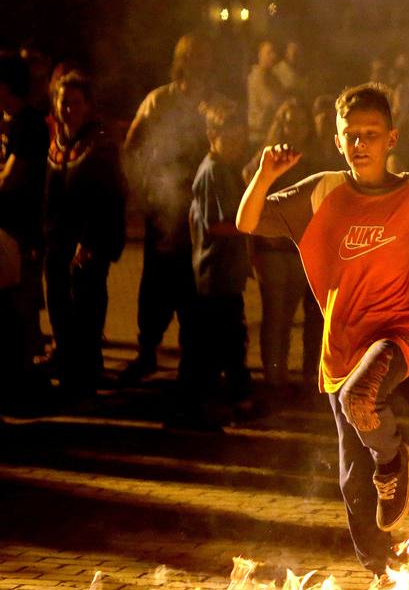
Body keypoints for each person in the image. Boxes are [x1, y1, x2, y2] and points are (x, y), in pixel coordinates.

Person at [237, 83, 409, 576]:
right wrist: (264, 175)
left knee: (361, 400)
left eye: (371, 134)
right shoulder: (320, 192)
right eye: (352, 135)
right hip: (343, 343)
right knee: (351, 478)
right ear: (338, 139)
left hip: (402, 328)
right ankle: (380, 570)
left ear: (392, 138)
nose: (361, 143)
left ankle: (393, 461)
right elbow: (247, 220)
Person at [121, 33, 212, 383]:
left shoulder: (214, 104)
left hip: (199, 207)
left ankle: (193, 361)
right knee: (157, 282)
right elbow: (133, 144)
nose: (199, 62)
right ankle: (147, 351)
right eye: (192, 56)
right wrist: (142, 188)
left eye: (204, 56)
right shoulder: (159, 101)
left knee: (193, 284)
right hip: (164, 204)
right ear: (181, 60)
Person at [43, 72, 128, 395]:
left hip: (87, 244)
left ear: (88, 106)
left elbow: (106, 199)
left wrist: (90, 241)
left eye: (76, 103)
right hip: (57, 242)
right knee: (60, 306)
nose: (69, 109)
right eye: (64, 102)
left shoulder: (100, 146)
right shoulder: (56, 142)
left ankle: (86, 374)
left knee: (87, 309)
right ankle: (69, 367)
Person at [175, 99, 253, 430]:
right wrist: (252, 224)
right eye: (230, 139)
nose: (236, 146)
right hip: (215, 275)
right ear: (213, 135)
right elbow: (216, 224)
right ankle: (197, 409)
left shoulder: (225, 168)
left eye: (240, 139)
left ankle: (229, 401)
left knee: (229, 341)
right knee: (212, 345)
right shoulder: (212, 170)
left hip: (226, 275)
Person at [243, 99, 323, 396]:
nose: (295, 128)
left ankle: (308, 376)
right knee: (277, 315)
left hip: (301, 250)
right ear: (280, 124)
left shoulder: (313, 161)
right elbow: (248, 186)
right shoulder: (268, 157)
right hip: (272, 248)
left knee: (307, 317)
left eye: (300, 122)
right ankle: (274, 378)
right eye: (289, 122)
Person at [0, 54, 50, 376]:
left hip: (24, 229)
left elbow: (10, 178)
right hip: (9, 229)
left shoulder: (28, 124)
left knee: (22, 301)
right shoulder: (10, 121)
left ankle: (24, 371)